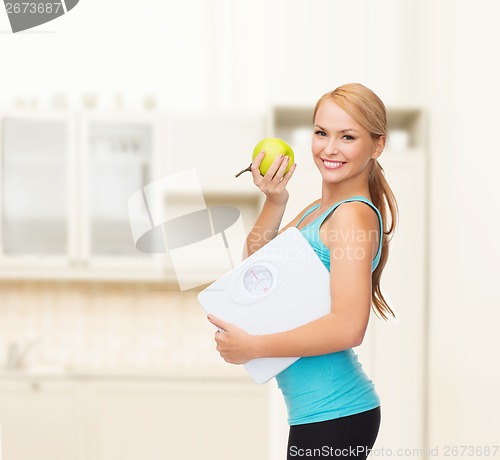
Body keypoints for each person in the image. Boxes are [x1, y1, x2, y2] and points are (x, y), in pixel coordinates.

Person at [207, 82, 398, 459]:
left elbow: (348, 327)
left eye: (347, 136)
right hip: (323, 415)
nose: (329, 148)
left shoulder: (352, 218)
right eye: (321, 133)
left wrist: (254, 347)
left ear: (377, 146)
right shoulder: (318, 210)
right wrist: (275, 201)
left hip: (336, 415)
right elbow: (256, 270)